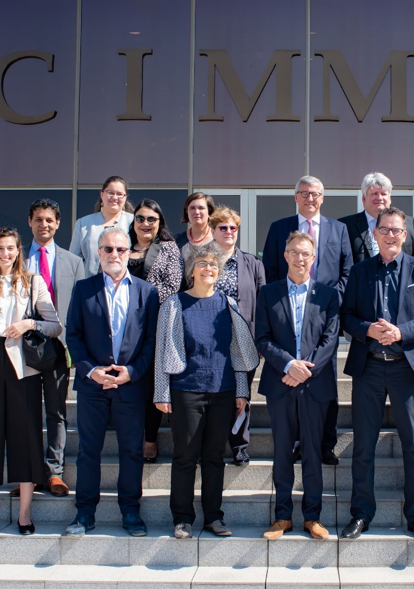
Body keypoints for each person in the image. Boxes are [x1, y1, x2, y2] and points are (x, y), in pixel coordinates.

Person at [340, 207, 414, 540]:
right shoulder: (359, 271)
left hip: (406, 369)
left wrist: (400, 332)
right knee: (363, 446)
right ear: (375, 234)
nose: (390, 235)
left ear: (405, 234)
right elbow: (347, 317)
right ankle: (361, 514)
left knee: (413, 446)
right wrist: (369, 330)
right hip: (369, 367)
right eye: (384, 230)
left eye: (396, 230)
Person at [0, 227, 62, 536]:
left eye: (11, 248)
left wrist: (29, 322)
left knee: (27, 438)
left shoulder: (33, 282)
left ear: (19, 251)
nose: (6, 253)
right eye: (0, 248)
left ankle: (25, 514)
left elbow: (55, 326)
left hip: (22, 368)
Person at [154, 242, 260, 540]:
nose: (209, 269)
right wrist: (161, 393)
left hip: (223, 390)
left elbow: (237, 351)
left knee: (214, 457)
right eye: (203, 264)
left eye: (214, 265)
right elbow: (163, 351)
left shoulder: (228, 304)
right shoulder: (174, 304)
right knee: (185, 457)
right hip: (186, 389)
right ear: (191, 270)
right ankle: (183, 518)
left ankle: (214, 516)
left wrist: (241, 390)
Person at [64, 227, 161, 538]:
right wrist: (92, 371)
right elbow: (74, 336)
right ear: (99, 253)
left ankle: (131, 513)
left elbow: (151, 341)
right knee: (87, 451)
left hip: (131, 386)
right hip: (92, 386)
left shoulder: (147, 292)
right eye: (108, 249)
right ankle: (84, 514)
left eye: (120, 249)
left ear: (129, 252)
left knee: (132, 451)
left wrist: (133, 371)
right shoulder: (83, 289)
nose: (114, 255)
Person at [262, 175, 352, 466]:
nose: (310, 198)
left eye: (315, 194)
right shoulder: (279, 228)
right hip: (287, 315)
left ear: (322, 198)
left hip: (323, 313)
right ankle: (295, 442)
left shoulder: (338, 229)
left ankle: (324, 444)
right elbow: (271, 269)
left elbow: (346, 271)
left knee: (325, 382)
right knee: (289, 379)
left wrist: (327, 300)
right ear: (296, 197)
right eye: (304, 193)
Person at [255, 231, 340, 540]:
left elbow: (330, 340)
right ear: (285, 256)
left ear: (313, 258)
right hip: (280, 383)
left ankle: (312, 517)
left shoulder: (328, 295)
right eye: (294, 252)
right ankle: (282, 517)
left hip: (314, 387)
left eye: (306, 253)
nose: (300, 257)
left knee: (313, 452)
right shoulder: (269, 293)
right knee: (281, 452)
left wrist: (304, 370)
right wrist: (289, 365)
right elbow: (262, 337)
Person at [16, 199, 85, 499]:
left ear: (58, 224)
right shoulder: (14, 261)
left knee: (56, 413)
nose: (44, 224)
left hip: (59, 349)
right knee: (26, 412)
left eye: (50, 220)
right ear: (29, 222)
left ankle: (54, 473)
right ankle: (28, 475)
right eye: (38, 219)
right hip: (21, 349)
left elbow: (82, 310)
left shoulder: (73, 262)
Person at [126, 199, 183, 463]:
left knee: (150, 383)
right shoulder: (121, 245)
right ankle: (130, 435)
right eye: (140, 218)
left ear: (159, 223)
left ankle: (150, 438)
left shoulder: (168, 248)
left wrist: (136, 297)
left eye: (151, 219)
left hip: (155, 323)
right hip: (122, 327)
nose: (145, 223)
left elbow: (172, 286)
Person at [207, 207, 265, 465]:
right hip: (210, 340)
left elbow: (263, 304)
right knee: (214, 394)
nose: (229, 232)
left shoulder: (253, 263)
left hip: (244, 340)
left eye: (233, 228)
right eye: (223, 227)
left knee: (242, 395)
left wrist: (262, 339)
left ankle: (239, 445)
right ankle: (212, 445)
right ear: (213, 230)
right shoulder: (203, 260)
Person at [339, 172, 414, 263]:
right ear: (364, 199)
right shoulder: (345, 226)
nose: (379, 198)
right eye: (374, 194)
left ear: (390, 199)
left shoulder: (409, 224)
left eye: (384, 194)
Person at [70, 176, 135, 276]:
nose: (114, 197)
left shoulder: (133, 222)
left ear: (125, 197)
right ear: (102, 194)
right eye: (110, 193)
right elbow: (73, 261)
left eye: (119, 194)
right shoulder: (83, 224)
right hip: (90, 285)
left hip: (124, 285)